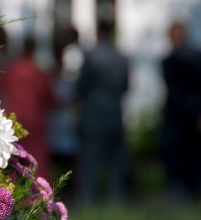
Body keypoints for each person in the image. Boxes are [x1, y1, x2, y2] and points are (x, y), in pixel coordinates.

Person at [161, 22, 201, 200]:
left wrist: (197, 114)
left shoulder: (170, 61)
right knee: (199, 164)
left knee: (178, 167)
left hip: (178, 122)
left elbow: (178, 94)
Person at [75, 20, 129, 203]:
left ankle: (88, 197)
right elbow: (125, 87)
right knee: (116, 162)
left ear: (98, 33)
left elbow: (81, 87)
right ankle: (117, 197)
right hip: (115, 114)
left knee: (90, 161)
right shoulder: (122, 58)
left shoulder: (91, 57)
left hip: (94, 114)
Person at [0, 37, 55, 180]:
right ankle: (38, 189)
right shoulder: (38, 71)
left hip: (15, 117)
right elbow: (48, 96)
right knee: (37, 156)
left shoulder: (11, 69)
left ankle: (13, 187)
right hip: (35, 119)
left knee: (14, 155)